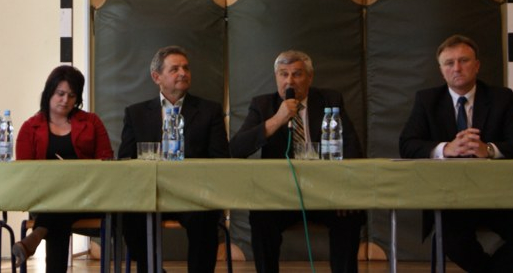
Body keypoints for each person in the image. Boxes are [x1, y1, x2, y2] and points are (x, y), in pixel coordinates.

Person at [399, 34, 513, 272]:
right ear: (441, 70)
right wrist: (446, 149)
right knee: (454, 242)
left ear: (477, 65)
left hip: (499, 194)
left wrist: (488, 150)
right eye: (449, 63)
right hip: (451, 198)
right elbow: (407, 145)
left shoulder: (501, 98)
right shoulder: (427, 100)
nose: (457, 68)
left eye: (464, 60)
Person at [230, 50, 364, 273]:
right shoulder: (263, 105)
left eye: (297, 74)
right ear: (276, 77)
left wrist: (344, 191)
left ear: (310, 77)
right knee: (261, 217)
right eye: (283, 74)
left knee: (350, 215)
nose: (289, 81)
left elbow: (352, 148)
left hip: (325, 191)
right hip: (280, 194)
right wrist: (277, 120)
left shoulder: (330, 100)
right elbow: (236, 149)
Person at [118, 45, 230, 273]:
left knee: (206, 218)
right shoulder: (136, 113)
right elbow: (125, 159)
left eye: (186, 68)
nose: (183, 73)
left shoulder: (209, 111)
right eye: (175, 69)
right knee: (130, 217)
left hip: (193, 194)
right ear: (156, 77)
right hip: (150, 193)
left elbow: (221, 158)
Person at [12, 65, 114, 272]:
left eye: (71, 95)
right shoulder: (30, 127)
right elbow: (24, 172)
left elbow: (107, 162)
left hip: (88, 196)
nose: (65, 100)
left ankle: (37, 235)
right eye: (60, 93)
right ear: (49, 92)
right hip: (45, 197)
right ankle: (40, 232)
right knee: (58, 209)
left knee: (58, 210)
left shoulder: (92, 122)